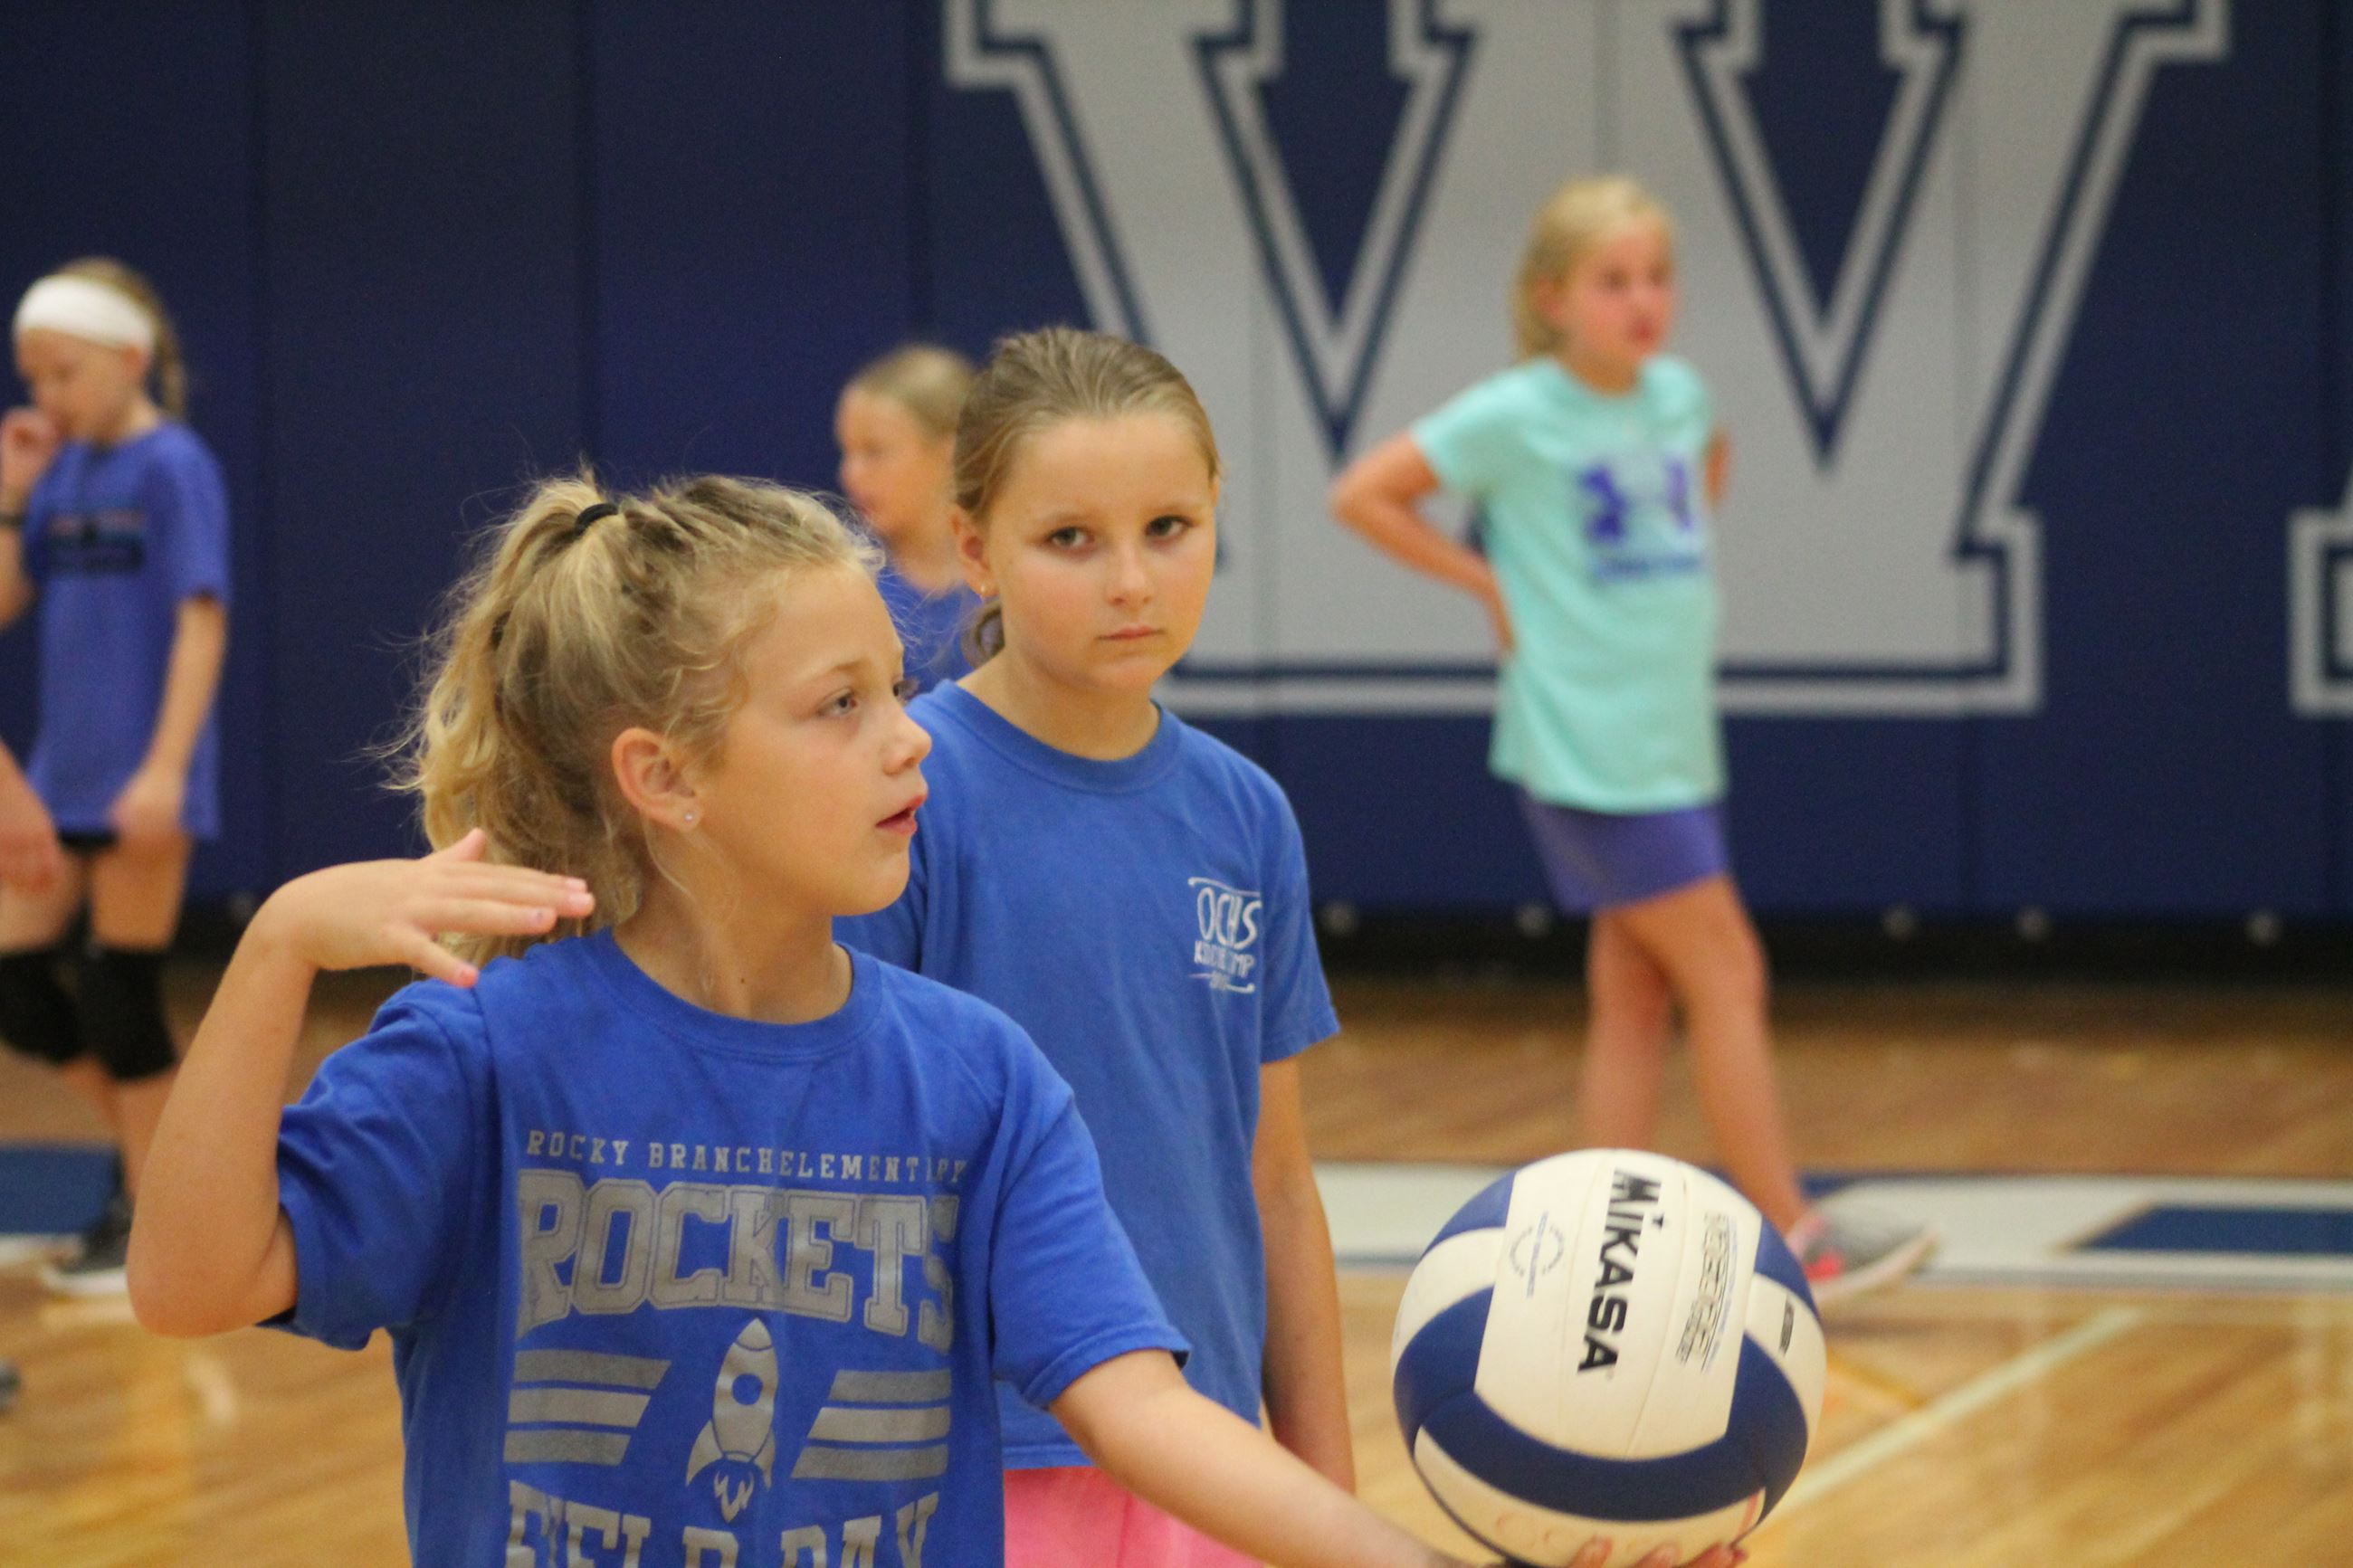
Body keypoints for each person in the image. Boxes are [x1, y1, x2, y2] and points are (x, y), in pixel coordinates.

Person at [129, 471, 1700, 1568]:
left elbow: (1143, 1407)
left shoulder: (973, 1076)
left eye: (898, 688)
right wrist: (273, 952)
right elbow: (193, 1278)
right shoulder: (489, 1051)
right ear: (663, 777)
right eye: (841, 707)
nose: (910, 743)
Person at [1329, 176, 1933, 1307]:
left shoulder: (1680, 395)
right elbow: (1363, 492)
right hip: (1589, 746)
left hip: (1670, 740)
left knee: (1635, 993)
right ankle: (1794, 1231)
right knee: (1726, 968)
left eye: (1655, 276)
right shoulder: (1514, 412)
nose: (1641, 299)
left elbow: (1707, 465)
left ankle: (1578, 1238)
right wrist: (1488, 583)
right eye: (1613, 281)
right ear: (1552, 297)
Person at [837, 326, 1340, 1567]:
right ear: (976, 551)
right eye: (1072, 539)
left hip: (1208, 1460)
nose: (1131, 580)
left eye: (1169, 527)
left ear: (1219, 512)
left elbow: (1275, 1178)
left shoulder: (1246, 815)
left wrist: (1327, 1496)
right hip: (971, 1462)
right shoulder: (905, 790)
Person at [0, 260, 231, 1296]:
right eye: (32, 377)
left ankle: (152, 1210)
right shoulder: (60, 473)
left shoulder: (170, 464)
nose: (46, 396)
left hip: (143, 777)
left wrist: (168, 769)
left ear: (129, 359)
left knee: (118, 993)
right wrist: (11, 496)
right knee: (15, 980)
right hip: (57, 780)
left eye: (64, 373)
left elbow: (201, 614)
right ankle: (169, 1172)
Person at [837, 344, 982, 687]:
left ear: (949, 454)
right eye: (847, 452)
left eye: (874, 452)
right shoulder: (847, 585)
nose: (850, 473)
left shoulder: (1015, 577)